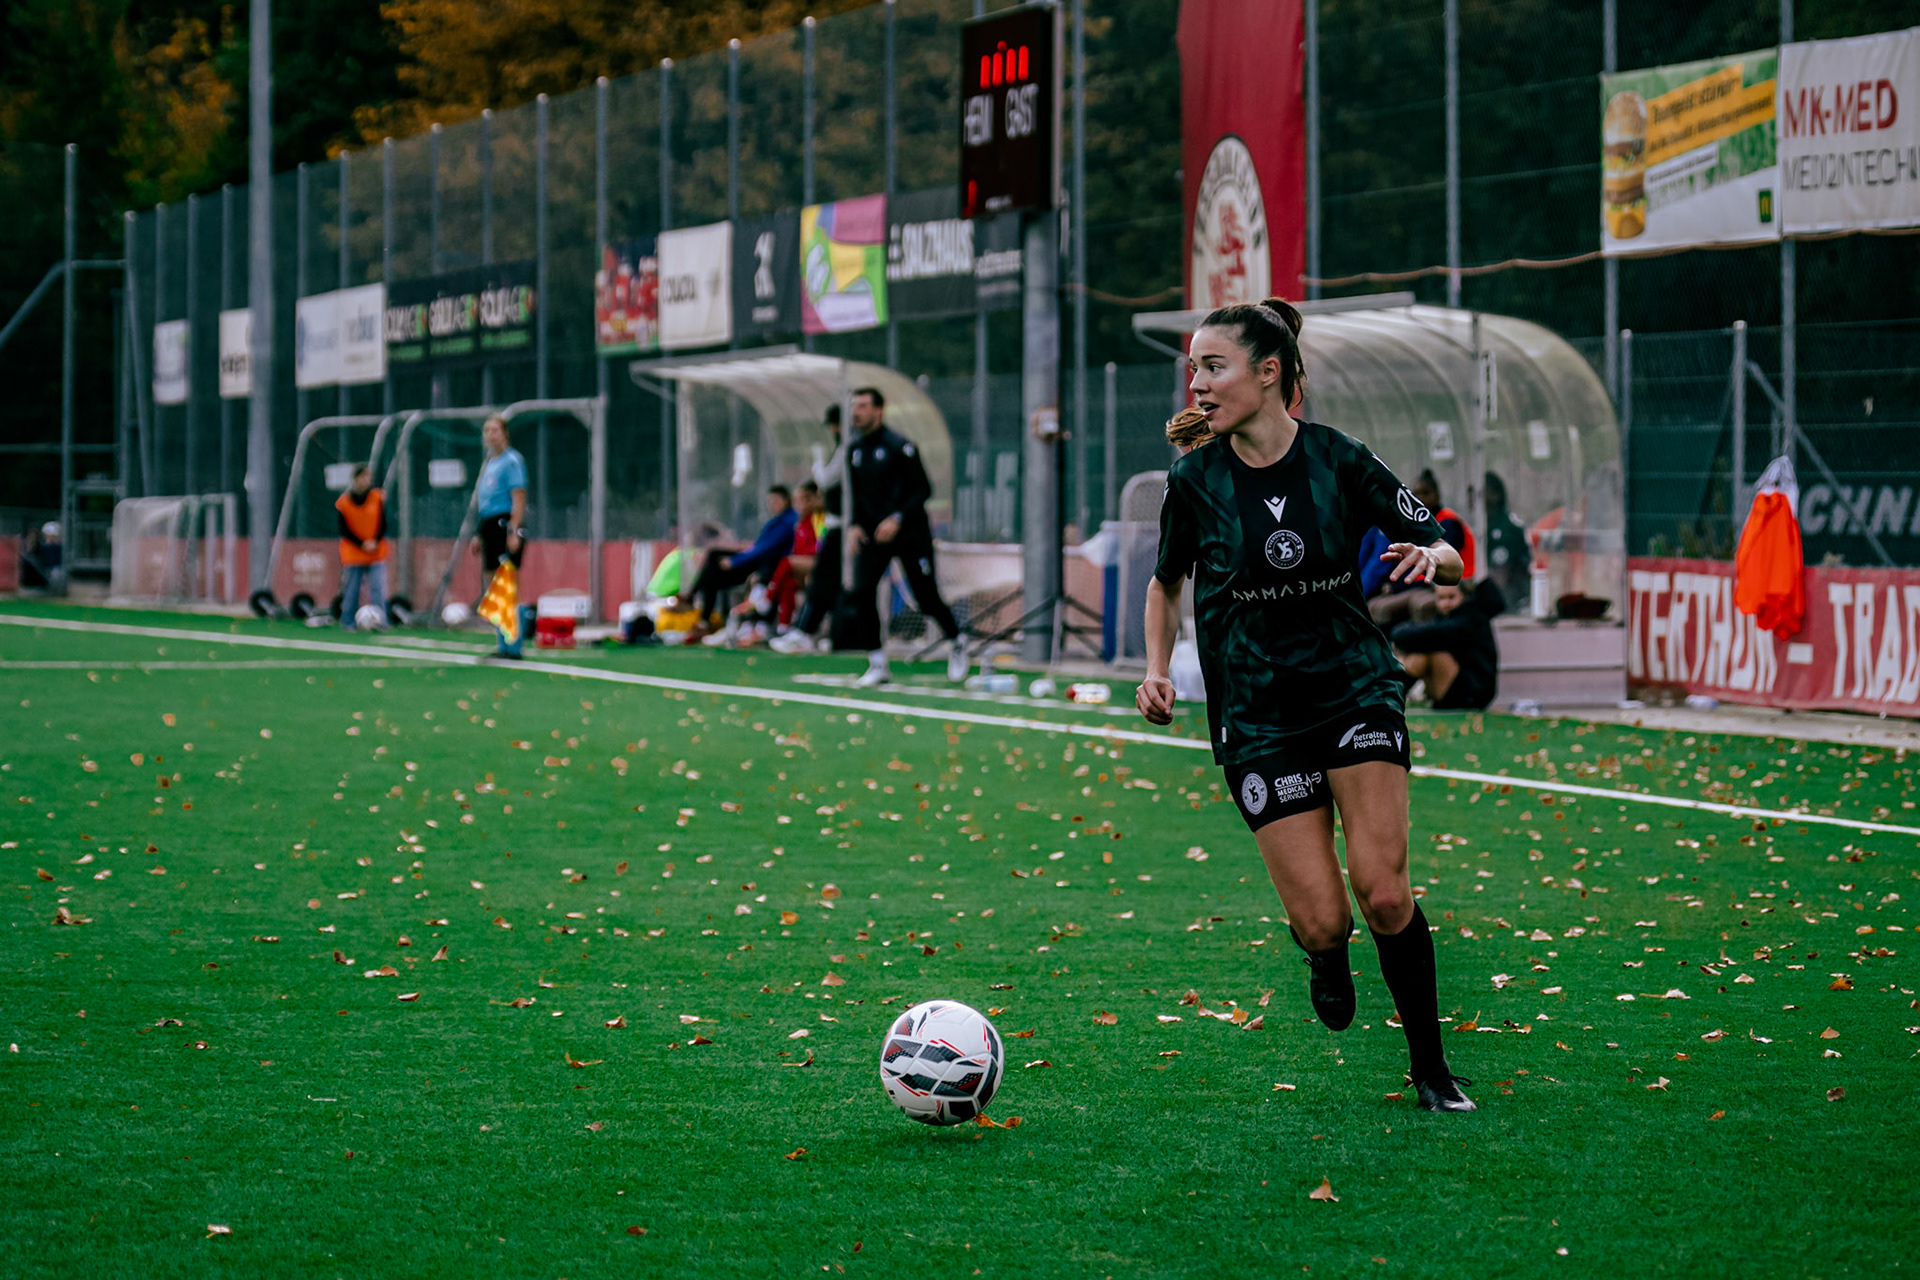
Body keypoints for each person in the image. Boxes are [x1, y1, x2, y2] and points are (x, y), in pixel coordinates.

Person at [1136, 296, 1476, 1114]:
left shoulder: (1338, 459)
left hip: (1354, 687)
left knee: (1385, 892)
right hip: (1257, 715)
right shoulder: (1196, 480)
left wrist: (1431, 556)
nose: (1198, 383)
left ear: (1270, 373)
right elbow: (1164, 583)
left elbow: (1453, 554)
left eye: (1213, 367)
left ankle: (1431, 1071)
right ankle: (1324, 954)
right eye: (1193, 368)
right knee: (1325, 922)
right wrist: (1156, 668)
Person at [838, 387, 968, 687]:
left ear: (879, 411)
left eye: (863, 406)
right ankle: (878, 663)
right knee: (861, 592)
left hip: (910, 533)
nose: (856, 412)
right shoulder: (853, 450)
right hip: (874, 536)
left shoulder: (901, 446)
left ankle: (957, 639)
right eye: (854, 406)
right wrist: (855, 526)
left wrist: (897, 518)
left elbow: (923, 489)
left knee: (925, 597)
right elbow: (856, 496)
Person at [771, 406, 846, 655]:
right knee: (826, 584)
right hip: (839, 537)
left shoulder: (848, 449)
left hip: (844, 533)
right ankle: (809, 631)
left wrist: (817, 467)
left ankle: (800, 629)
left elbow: (827, 479)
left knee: (821, 580)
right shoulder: (802, 521)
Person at [680, 485, 797, 644]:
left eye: (776, 500)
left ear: (786, 501)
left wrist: (735, 561)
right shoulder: (777, 521)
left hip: (766, 566)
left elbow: (764, 549)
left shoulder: (788, 521)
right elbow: (758, 545)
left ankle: (703, 612)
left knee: (715, 567)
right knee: (714, 560)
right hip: (760, 562)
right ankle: (705, 617)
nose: (772, 504)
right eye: (769, 501)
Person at [1368, 469, 1474, 626]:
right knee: (1375, 606)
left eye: (1426, 493)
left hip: (1455, 585)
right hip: (1417, 584)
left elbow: (1442, 570)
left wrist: (1397, 588)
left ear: (1437, 495)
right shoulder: (1412, 525)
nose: (1421, 498)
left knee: (1417, 605)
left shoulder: (1448, 522)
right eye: (1416, 494)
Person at [1392, 578, 1505, 710]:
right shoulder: (1446, 618)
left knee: (1428, 652)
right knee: (1420, 651)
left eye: (1451, 597)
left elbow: (1419, 635)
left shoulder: (1469, 620)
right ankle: (1390, 695)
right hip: (1454, 686)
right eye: (1440, 598)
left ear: (1465, 597)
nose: (1445, 604)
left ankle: (1389, 696)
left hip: (1474, 693)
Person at [335, 464, 391, 630]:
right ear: (355, 479)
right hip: (353, 553)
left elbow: (383, 522)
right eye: (362, 477)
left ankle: (381, 622)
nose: (366, 481)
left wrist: (374, 541)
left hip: (375, 551)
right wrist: (362, 544)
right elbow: (344, 529)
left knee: (378, 589)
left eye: (368, 477)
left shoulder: (378, 497)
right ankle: (347, 622)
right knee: (351, 590)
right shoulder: (343, 503)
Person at [472, 416, 529, 576]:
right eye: (487, 431)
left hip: (503, 522)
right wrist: (479, 533)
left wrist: (513, 532)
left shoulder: (512, 461)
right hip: (489, 524)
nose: (491, 435)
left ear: (504, 433)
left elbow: (519, 498)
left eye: (495, 430)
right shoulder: (490, 463)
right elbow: (486, 503)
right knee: (490, 576)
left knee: (505, 578)